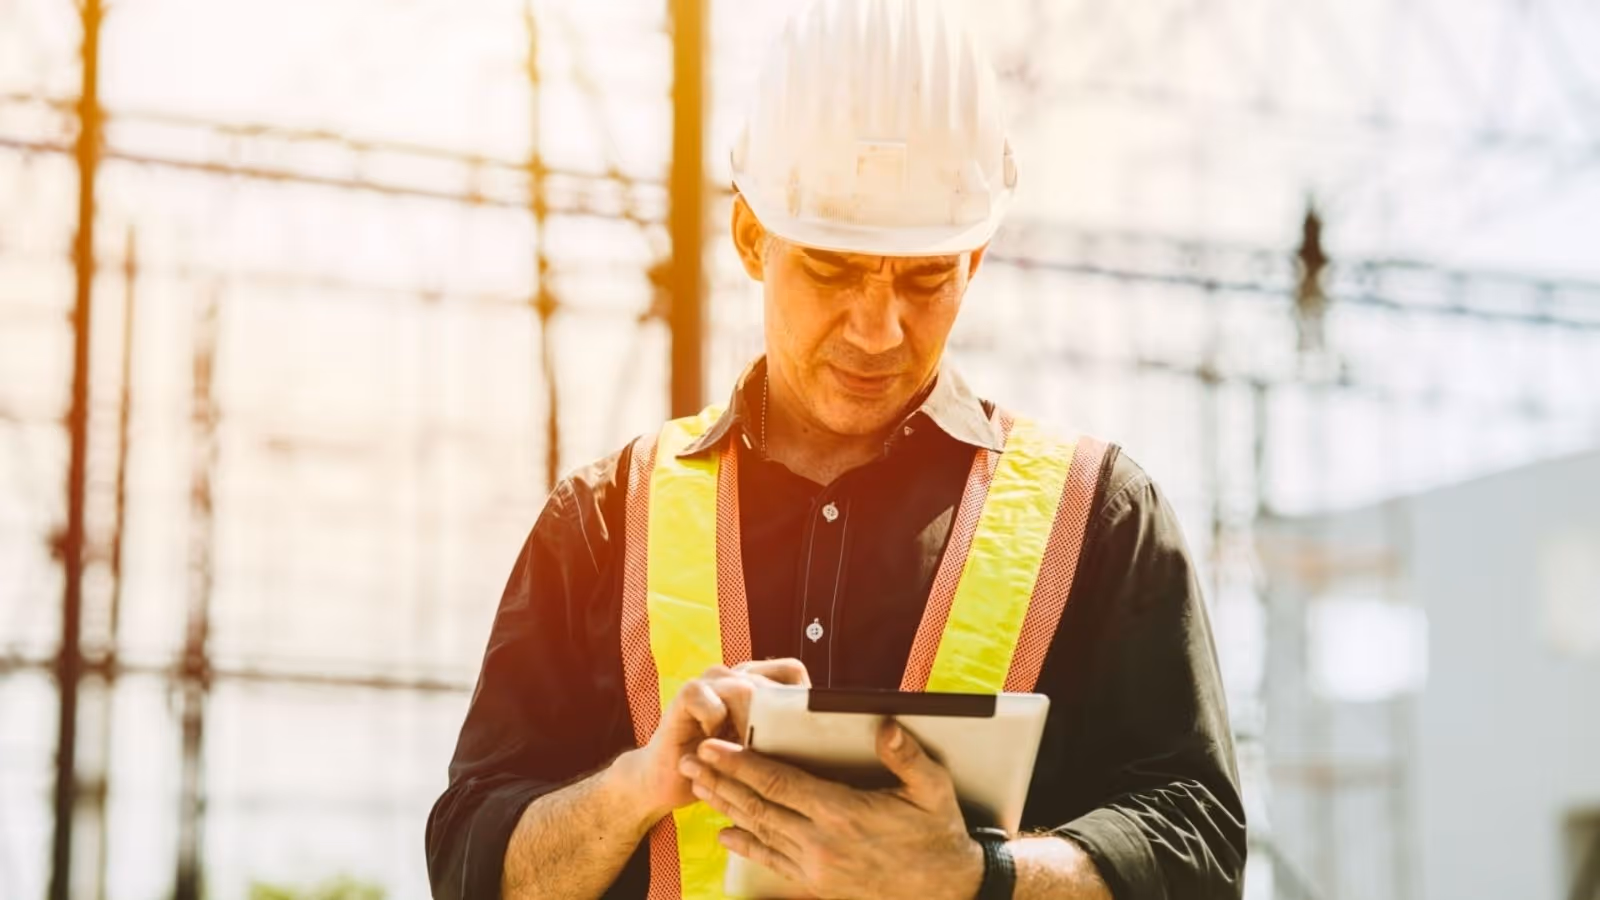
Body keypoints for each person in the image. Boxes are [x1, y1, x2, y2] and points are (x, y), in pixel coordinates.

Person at [426, 0, 1246, 897]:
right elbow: (472, 868)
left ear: (974, 260)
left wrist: (982, 877)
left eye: (926, 278)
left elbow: (1199, 855)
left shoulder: (1097, 520)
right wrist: (637, 786)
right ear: (752, 238)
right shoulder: (604, 524)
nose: (877, 328)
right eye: (832, 269)